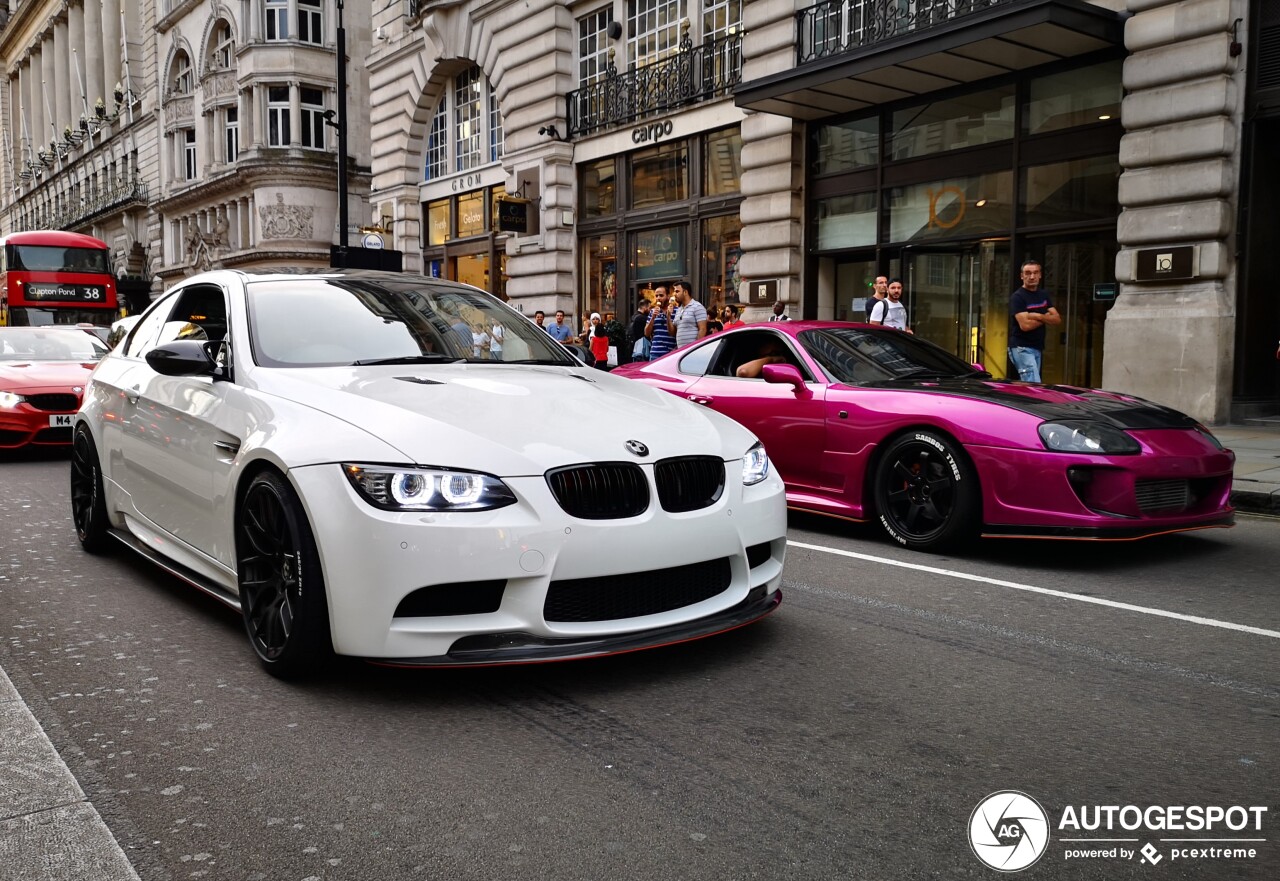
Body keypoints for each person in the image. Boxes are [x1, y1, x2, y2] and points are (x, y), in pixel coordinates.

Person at [1008, 259, 1061, 383]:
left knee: (1029, 386)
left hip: (1037, 347)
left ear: (1040, 275)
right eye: (1028, 273)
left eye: (1035, 272)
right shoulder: (1018, 297)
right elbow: (1025, 325)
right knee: (1034, 385)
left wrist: (1037, 316)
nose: (1032, 276)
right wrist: (1046, 317)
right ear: (1022, 276)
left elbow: (1057, 319)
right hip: (1022, 347)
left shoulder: (1043, 295)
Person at [671, 279, 708, 348]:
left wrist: (695, 348)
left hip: (692, 351)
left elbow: (703, 329)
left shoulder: (697, 307)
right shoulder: (678, 310)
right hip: (682, 351)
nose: (674, 294)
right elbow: (673, 332)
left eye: (677, 291)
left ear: (685, 292)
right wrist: (668, 315)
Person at [645, 284, 677, 360]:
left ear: (668, 296)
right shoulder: (652, 311)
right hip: (655, 353)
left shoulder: (677, 311)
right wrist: (653, 318)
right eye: (656, 296)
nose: (658, 298)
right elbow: (646, 333)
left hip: (671, 353)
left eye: (661, 295)